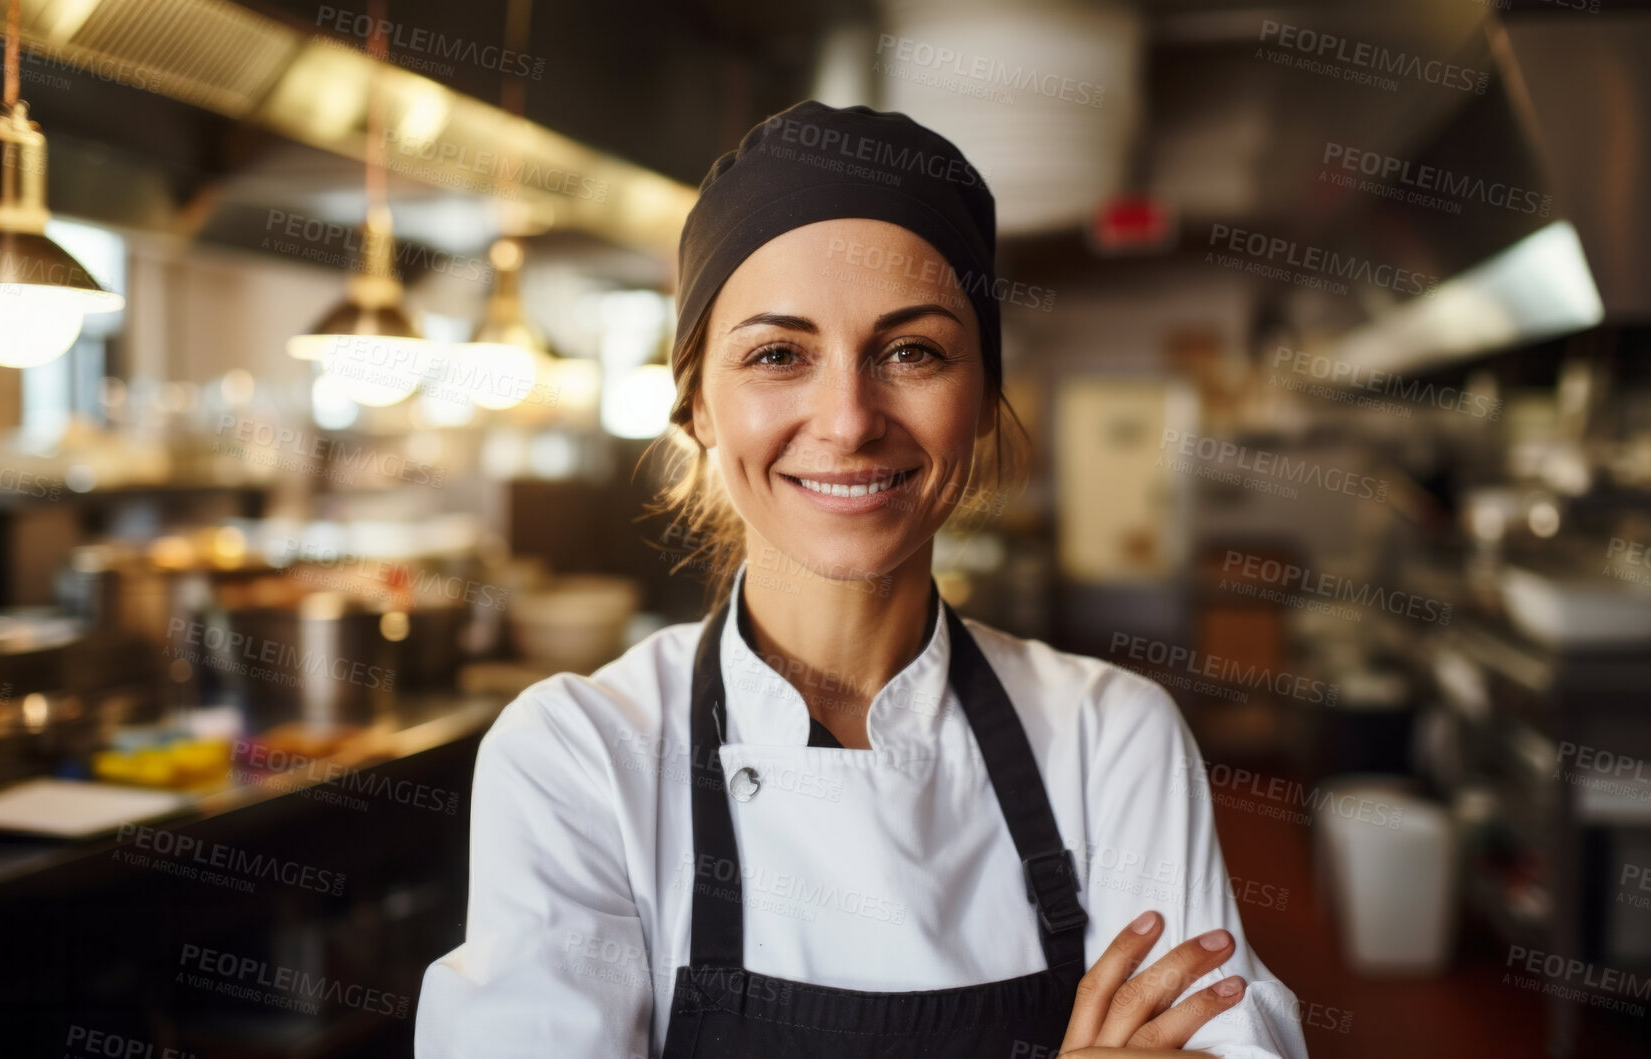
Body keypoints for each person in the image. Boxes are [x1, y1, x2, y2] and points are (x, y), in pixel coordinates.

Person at [416, 100, 1309, 1058]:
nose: (847, 419)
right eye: (776, 354)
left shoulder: (1109, 738)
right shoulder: (579, 756)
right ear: (697, 407)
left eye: (910, 351)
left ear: (978, 403)